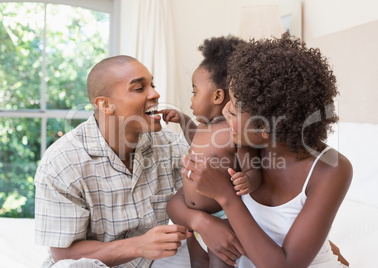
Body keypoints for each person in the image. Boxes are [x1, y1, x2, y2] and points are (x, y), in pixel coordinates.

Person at [172, 33, 353, 267]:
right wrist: (204, 223)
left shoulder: (330, 169)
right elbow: (179, 201)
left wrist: (226, 197)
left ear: (265, 127)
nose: (224, 112)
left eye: (234, 111)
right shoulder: (245, 147)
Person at [34, 55, 192, 267]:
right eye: (139, 88)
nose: (155, 94)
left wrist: (205, 222)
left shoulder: (170, 144)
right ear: (106, 104)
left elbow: (201, 198)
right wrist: (139, 246)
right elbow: (64, 255)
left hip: (151, 263)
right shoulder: (62, 162)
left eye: (152, 85)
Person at [161, 36, 262, 268]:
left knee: (219, 262)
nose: (191, 99)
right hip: (194, 220)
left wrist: (248, 180)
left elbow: (253, 167)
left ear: (217, 96)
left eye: (194, 92)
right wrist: (183, 120)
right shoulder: (205, 127)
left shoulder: (234, 132)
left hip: (223, 219)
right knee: (197, 260)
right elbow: (195, 139)